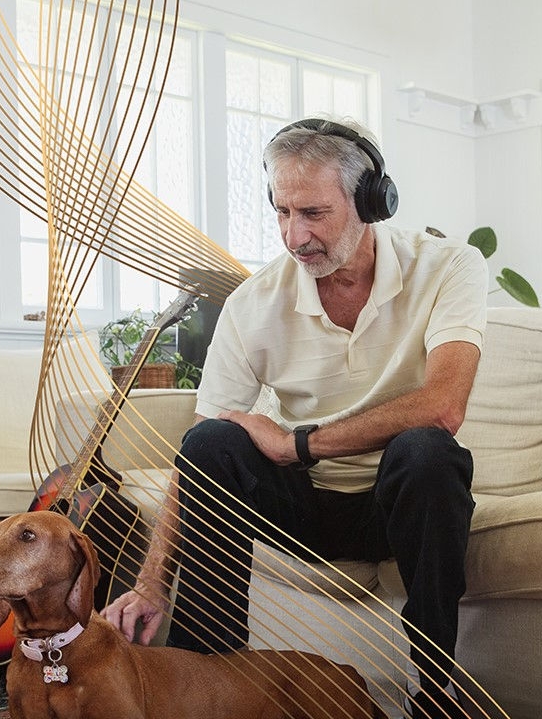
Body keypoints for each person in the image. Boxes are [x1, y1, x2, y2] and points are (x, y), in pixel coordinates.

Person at [104, 116, 487, 718]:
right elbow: (196, 462)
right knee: (210, 443)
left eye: (313, 213)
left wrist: (296, 445)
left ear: (371, 202)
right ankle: (207, 686)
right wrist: (152, 579)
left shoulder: (447, 267)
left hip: (399, 500)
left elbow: (443, 405)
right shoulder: (254, 303)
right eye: (282, 212)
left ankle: (435, 690)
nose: (293, 235)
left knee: (428, 450)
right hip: (302, 511)